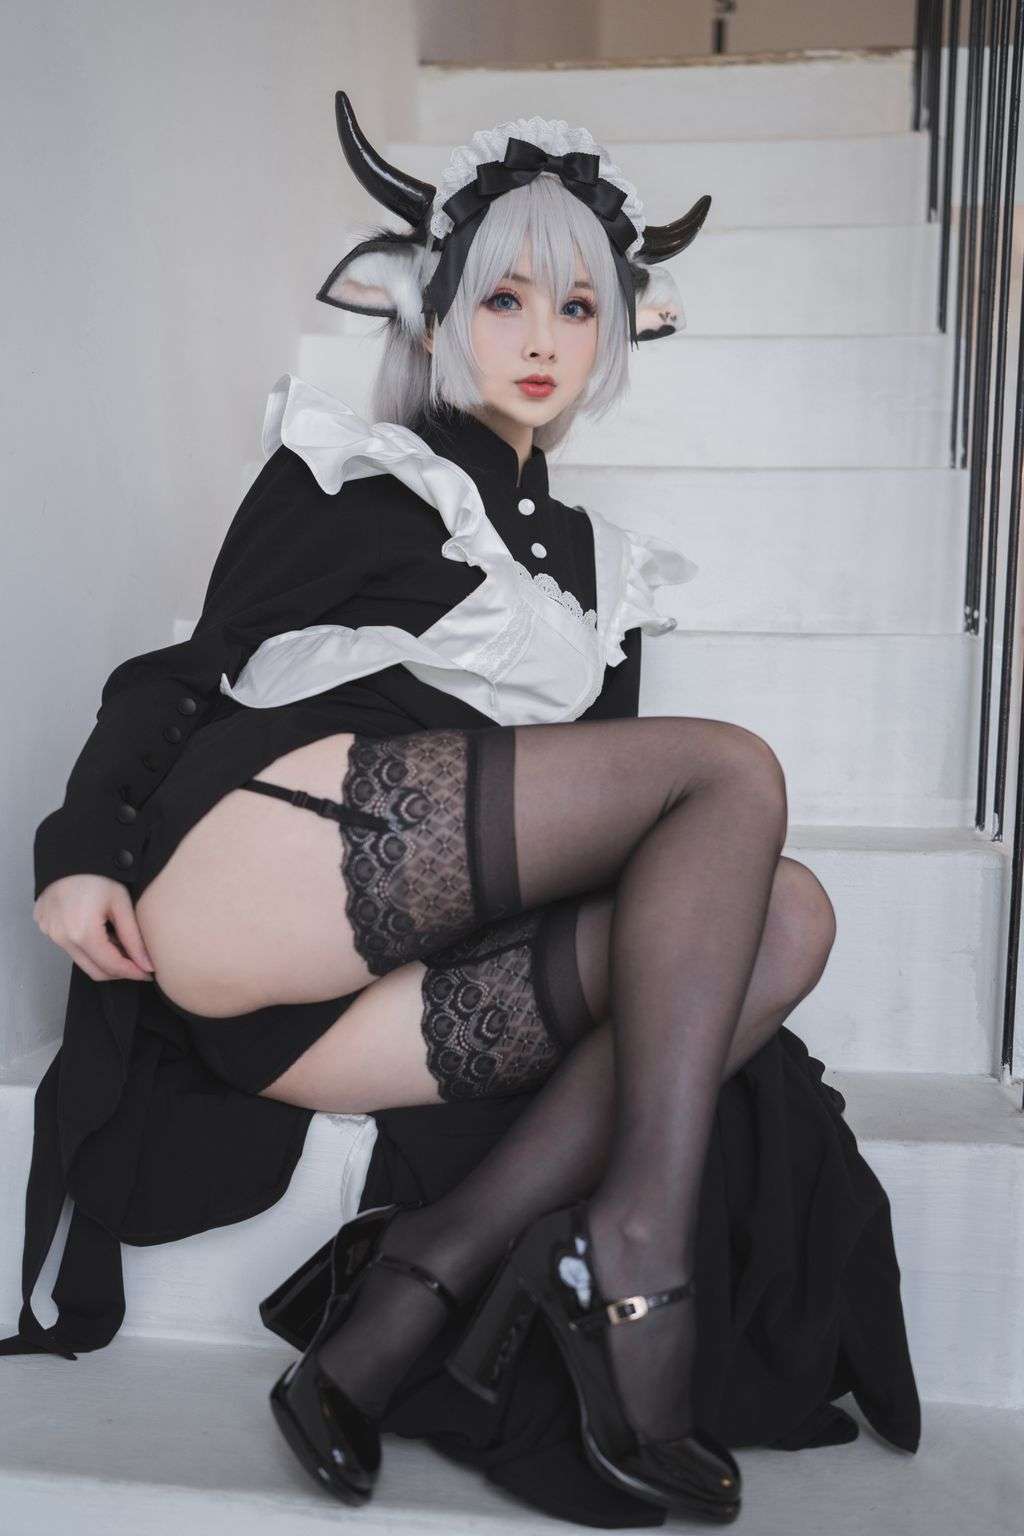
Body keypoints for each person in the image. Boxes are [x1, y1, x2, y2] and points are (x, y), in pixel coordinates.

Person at [6, 98, 921, 1527]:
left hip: (364, 1009)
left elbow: (622, 841)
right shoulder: (359, 476)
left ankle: (425, 1275)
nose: (542, 337)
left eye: (577, 305)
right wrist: (78, 850)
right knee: (734, 769)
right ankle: (633, 1244)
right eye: (503, 298)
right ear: (433, 314)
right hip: (251, 885)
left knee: (785, 914)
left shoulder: (605, 578)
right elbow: (184, 672)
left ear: (617, 333)